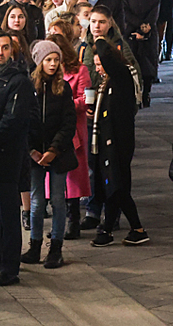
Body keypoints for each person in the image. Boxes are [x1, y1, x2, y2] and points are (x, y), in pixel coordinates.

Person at [0, 31, 35, 286]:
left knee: (7, 214)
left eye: (4, 48)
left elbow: (13, 120)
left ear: (11, 51)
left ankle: (9, 267)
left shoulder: (18, 81)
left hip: (6, 156)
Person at [21, 40, 77, 269]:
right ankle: (34, 244)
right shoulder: (28, 87)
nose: (53, 64)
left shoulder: (63, 88)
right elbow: (23, 121)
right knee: (35, 201)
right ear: (39, 62)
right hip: (34, 153)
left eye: (56, 60)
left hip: (58, 153)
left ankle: (56, 246)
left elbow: (68, 122)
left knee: (57, 199)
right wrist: (32, 150)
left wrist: (53, 149)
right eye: (48, 60)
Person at [89, 39, 149, 247]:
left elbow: (106, 53)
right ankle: (106, 230)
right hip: (108, 142)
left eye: (100, 65)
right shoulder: (107, 83)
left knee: (118, 187)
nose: (98, 69)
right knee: (113, 187)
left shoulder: (122, 76)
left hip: (118, 143)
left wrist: (96, 38)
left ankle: (137, 228)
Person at [45, 33, 92, 241]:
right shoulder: (46, 73)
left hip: (73, 130)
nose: (53, 61)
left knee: (73, 178)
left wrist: (63, 105)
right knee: (53, 181)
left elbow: (86, 99)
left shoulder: (81, 70)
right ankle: (59, 222)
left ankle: (74, 220)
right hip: (50, 131)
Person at [122, 0, 160, 107]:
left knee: (148, 64)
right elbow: (126, 12)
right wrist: (137, 26)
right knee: (132, 63)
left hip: (149, 32)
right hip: (132, 30)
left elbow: (154, 12)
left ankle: (146, 94)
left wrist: (146, 27)